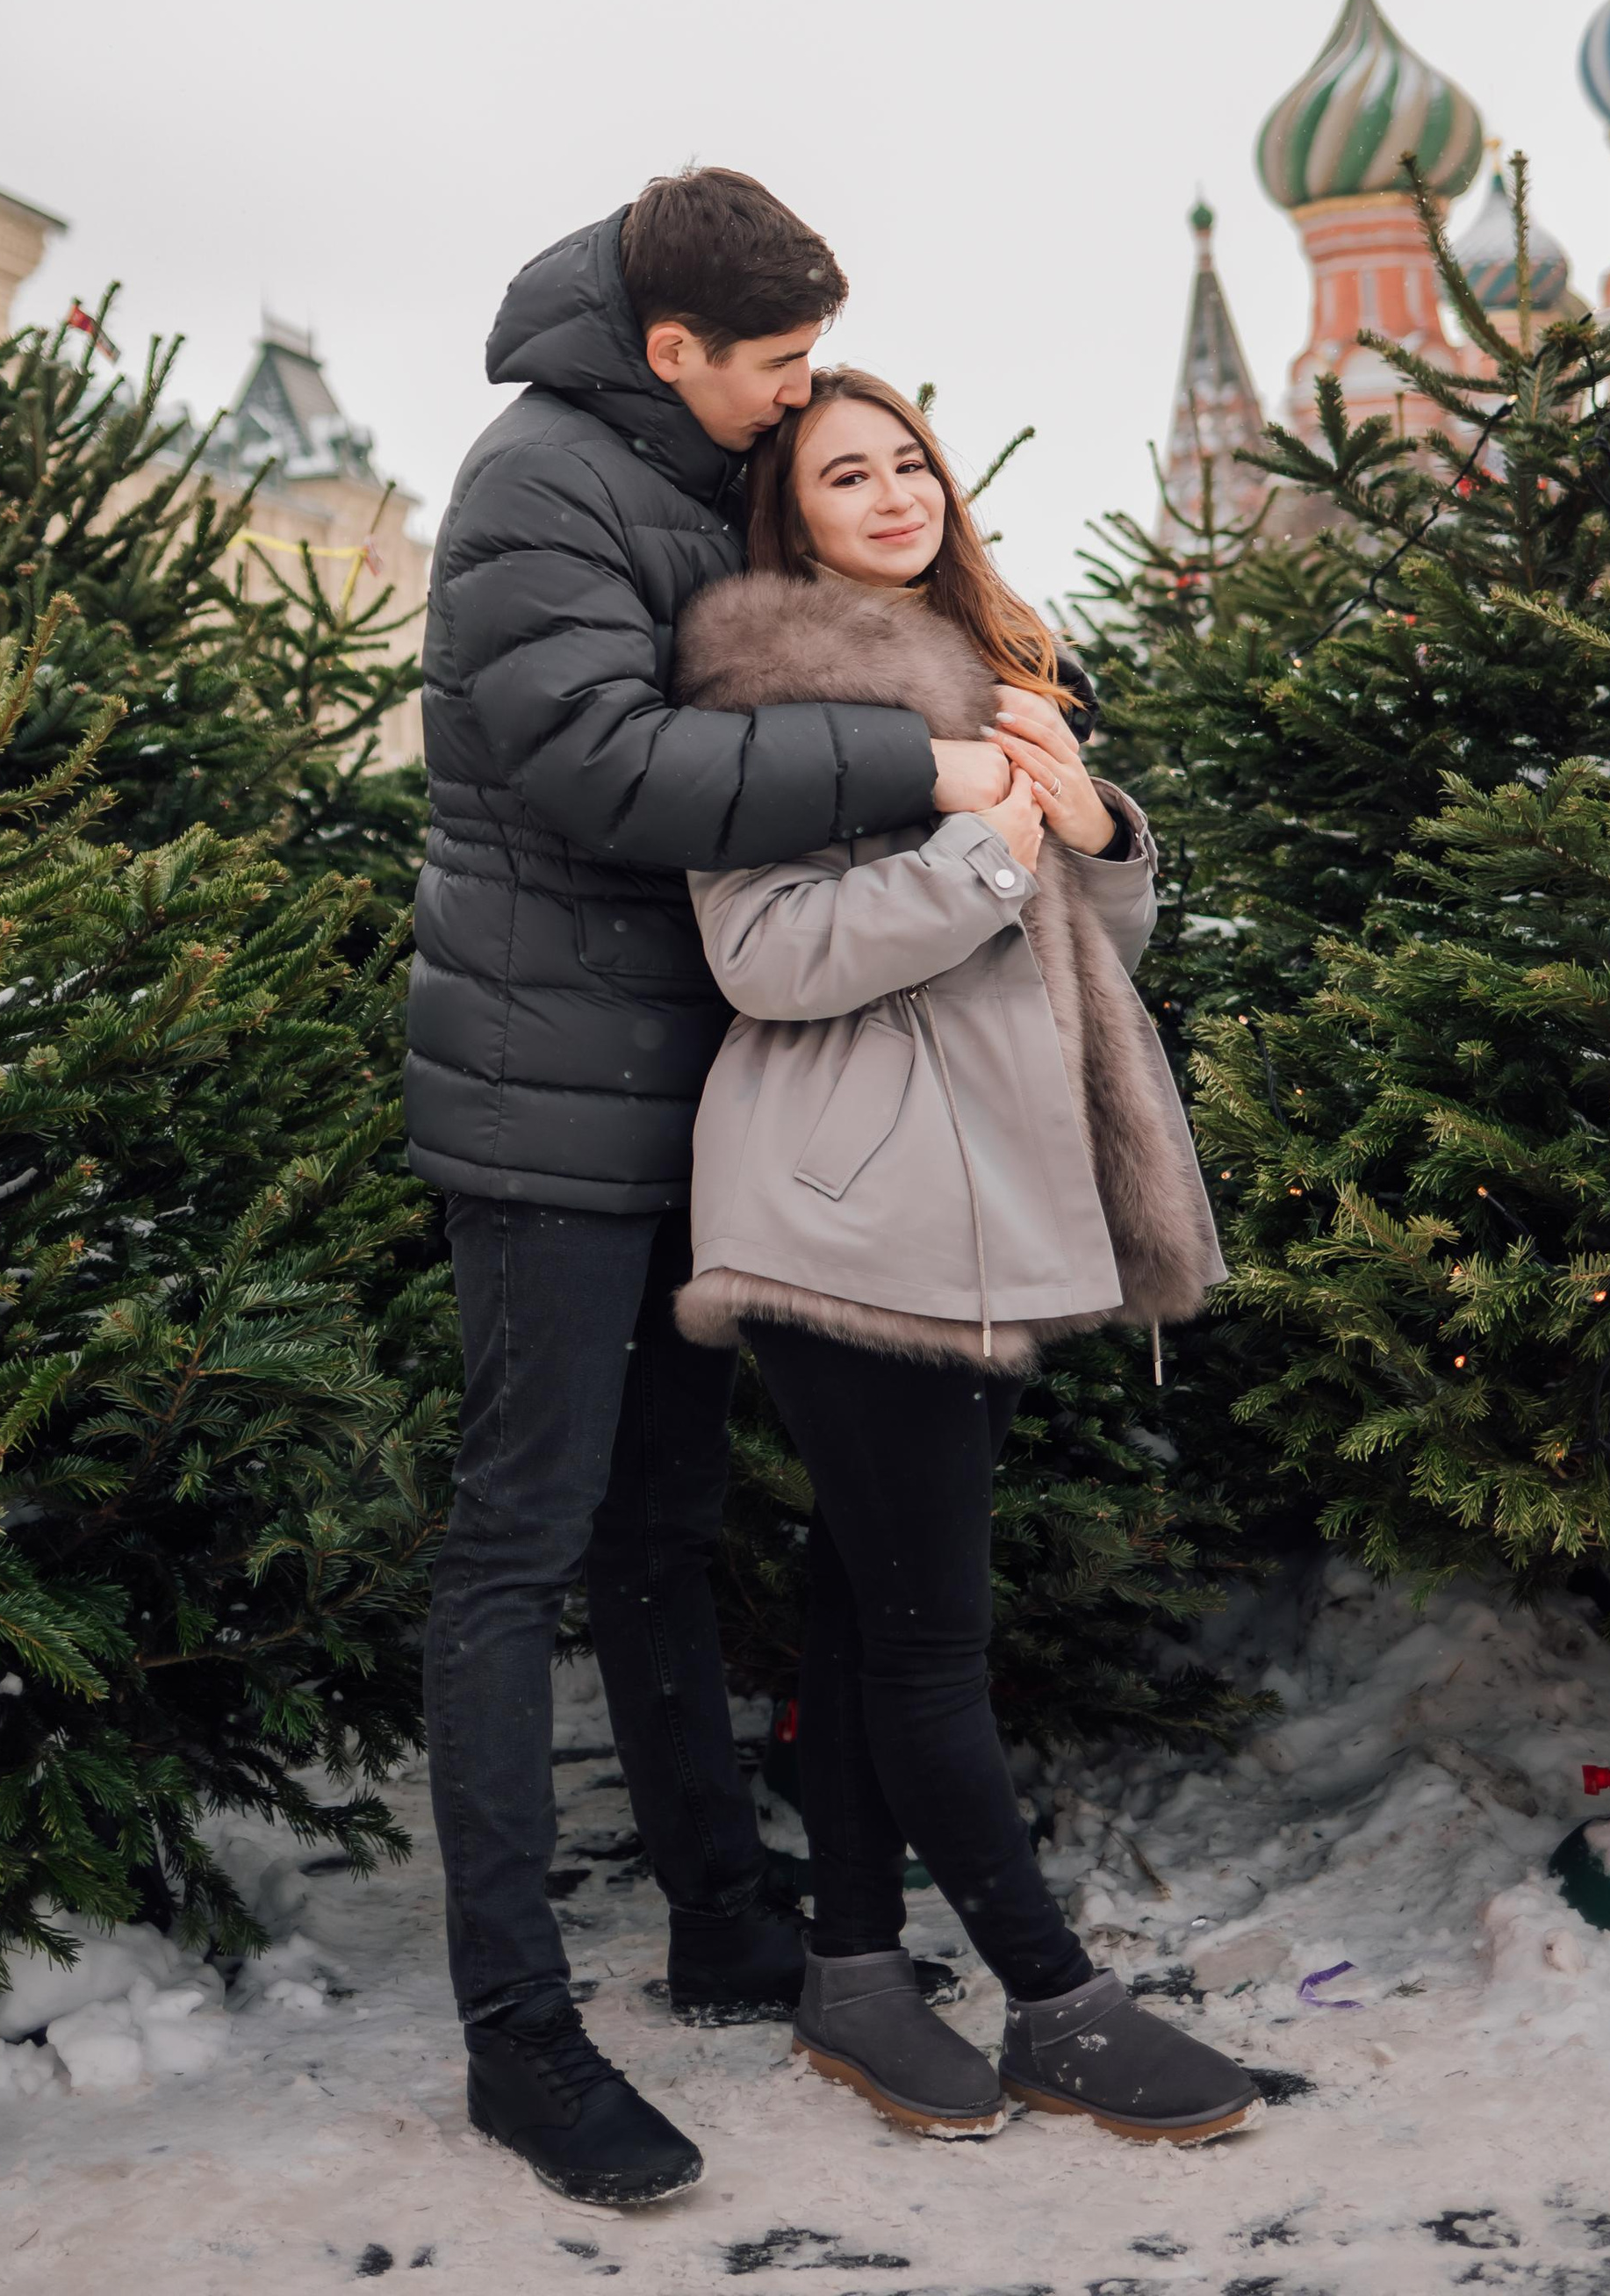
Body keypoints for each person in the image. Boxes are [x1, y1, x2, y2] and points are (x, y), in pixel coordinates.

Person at [408, 175, 1014, 2206]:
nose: (795, 396)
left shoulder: (690, 466)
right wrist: (906, 765)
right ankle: (517, 2037)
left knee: (663, 1528)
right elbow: (599, 766)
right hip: (546, 1104)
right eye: (771, 365)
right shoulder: (537, 484)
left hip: (702, 1090)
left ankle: (723, 1920)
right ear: (670, 348)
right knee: (519, 1543)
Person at [667, 367, 1255, 2148]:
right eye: (849, 472)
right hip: (853, 1212)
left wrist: (1091, 838)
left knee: (864, 1605)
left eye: (909, 458)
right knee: (929, 1643)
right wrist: (987, 848)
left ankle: (851, 1973)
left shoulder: (1002, 677)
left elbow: (1075, 955)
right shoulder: (767, 695)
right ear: (793, 516)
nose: (896, 489)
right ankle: (1050, 2001)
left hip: (982, 1200)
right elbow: (764, 959)